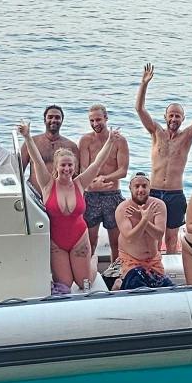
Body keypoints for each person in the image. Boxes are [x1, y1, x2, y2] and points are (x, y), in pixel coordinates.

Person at [18, 122, 124, 295]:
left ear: (74, 167)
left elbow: (97, 164)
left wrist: (110, 141)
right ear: (56, 167)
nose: (67, 169)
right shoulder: (47, 184)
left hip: (79, 239)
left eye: (70, 165)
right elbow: (36, 160)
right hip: (57, 243)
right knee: (65, 285)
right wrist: (28, 137)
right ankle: (82, 262)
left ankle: (93, 261)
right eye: (63, 165)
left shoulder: (80, 183)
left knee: (84, 283)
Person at [134, 64, 192, 238]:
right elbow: (139, 109)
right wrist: (144, 83)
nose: (174, 118)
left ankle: (170, 262)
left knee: (170, 237)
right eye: (171, 115)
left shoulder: (187, 137)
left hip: (175, 193)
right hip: (153, 191)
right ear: (165, 117)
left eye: (177, 116)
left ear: (183, 118)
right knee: (151, 236)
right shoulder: (156, 132)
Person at [77, 103, 130, 266]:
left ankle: (116, 273)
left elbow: (123, 170)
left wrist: (103, 179)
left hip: (111, 195)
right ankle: (87, 271)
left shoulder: (119, 141)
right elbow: (83, 168)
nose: (95, 124)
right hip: (91, 196)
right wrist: (93, 184)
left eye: (98, 119)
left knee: (116, 241)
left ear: (106, 118)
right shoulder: (85, 140)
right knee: (90, 239)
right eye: (91, 120)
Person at [111, 173, 173, 289]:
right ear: (130, 188)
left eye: (144, 186)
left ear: (150, 187)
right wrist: (144, 218)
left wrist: (141, 218)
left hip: (153, 261)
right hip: (131, 262)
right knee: (137, 285)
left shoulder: (158, 205)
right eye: (137, 186)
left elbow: (159, 235)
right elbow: (130, 238)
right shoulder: (123, 208)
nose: (141, 190)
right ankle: (119, 283)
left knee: (168, 289)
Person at [24, 104, 79, 199]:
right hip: (34, 195)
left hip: (60, 197)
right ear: (44, 120)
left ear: (62, 121)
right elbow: (18, 170)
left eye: (57, 117)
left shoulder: (71, 146)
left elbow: (76, 175)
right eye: (50, 117)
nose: (53, 120)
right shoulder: (31, 143)